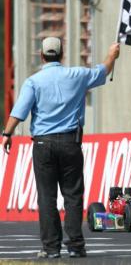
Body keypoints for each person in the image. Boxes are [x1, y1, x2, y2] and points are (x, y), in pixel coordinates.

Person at [1, 37, 120, 258]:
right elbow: (103, 71)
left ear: (42, 55)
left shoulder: (33, 81)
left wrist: (7, 134)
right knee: (73, 195)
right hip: (69, 142)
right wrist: (112, 54)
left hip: (43, 144)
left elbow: (18, 113)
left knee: (47, 197)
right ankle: (75, 245)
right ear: (62, 53)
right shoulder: (78, 75)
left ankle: (51, 249)